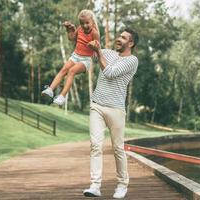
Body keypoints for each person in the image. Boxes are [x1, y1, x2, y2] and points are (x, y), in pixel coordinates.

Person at [83, 28, 139, 199]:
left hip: (116, 109)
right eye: (119, 36)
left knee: (117, 148)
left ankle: (122, 184)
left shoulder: (132, 60)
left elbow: (110, 72)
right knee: (95, 145)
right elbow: (85, 50)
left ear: (131, 43)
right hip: (97, 106)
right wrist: (76, 35)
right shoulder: (107, 53)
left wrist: (98, 51)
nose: (119, 39)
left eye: (123, 38)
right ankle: (95, 185)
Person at [41, 9, 100, 105]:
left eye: (87, 23)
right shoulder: (80, 29)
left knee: (71, 71)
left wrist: (94, 45)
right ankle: (50, 89)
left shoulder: (94, 33)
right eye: (82, 23)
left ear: (92, 22)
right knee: (63, 70)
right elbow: (72, 38)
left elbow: (98, 47)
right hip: (75, 56)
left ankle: (62, 97)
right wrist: (69, 30)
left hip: (85, 60)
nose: (85, 25)